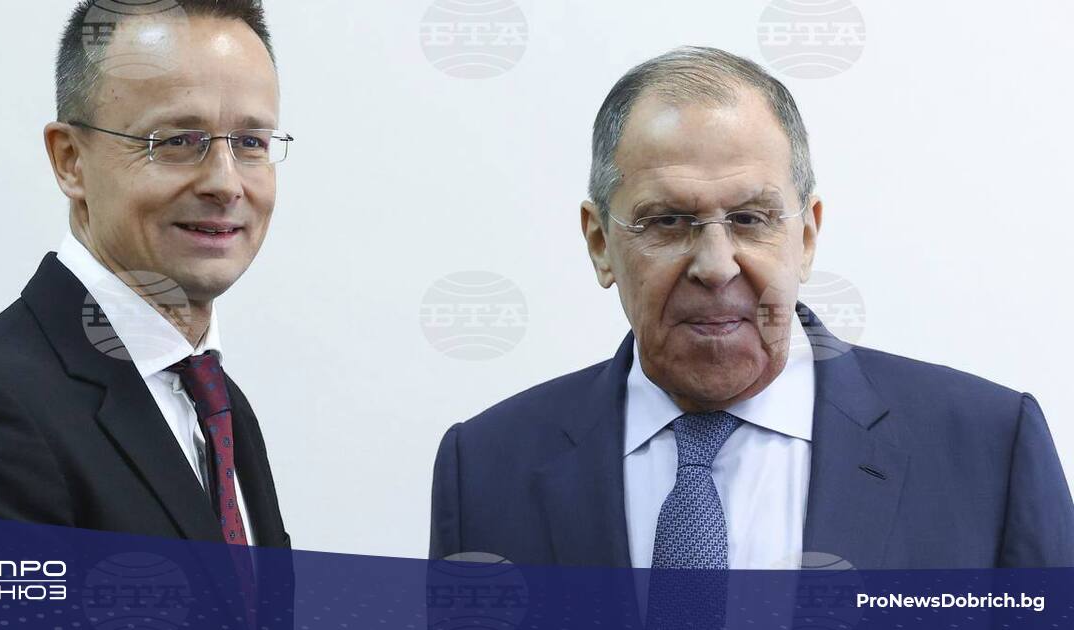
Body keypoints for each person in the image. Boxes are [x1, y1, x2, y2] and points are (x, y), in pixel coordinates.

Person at [429, 46, 1074, 576]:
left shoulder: (990, 451)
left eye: (750, 218)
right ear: (600, 244)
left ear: (807, 235)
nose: (716, 265)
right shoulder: (484, 469)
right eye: (668, 221)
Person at [0, 0, 292, 551]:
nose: (226, 183)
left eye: (251, 143)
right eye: (176, 141)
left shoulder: (218, 406)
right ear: (70, 159)